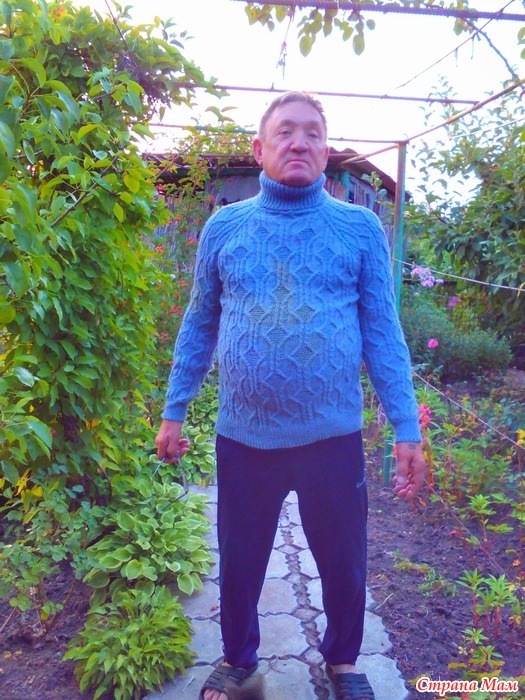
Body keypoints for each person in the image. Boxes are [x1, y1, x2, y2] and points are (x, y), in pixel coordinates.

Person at [155, 91, 426, 700]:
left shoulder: (359, 229)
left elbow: (384, 333)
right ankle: (238, 659)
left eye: (312, 134)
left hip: (333, 435)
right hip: (244, 435)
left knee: (343, 560)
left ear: (327, 153)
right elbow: (199, 323)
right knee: (241, 559)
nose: (299, 142)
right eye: (285, 132)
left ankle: (344, 661)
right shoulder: (225, 227)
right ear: (260, 148)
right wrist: (175, 408)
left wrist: (406, 426)